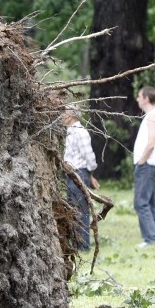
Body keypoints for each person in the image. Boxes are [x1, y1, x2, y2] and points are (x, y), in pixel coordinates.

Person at [133, 85, 155, 247]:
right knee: (151, 202)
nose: (137, 99)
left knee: (141, 202)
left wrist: (141, 161)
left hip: (147, 164)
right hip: (151, 163)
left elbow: (151, 143)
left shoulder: (153, 115)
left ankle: (151, 239)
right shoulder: (154, 115)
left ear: (146, 98)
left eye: (139, 96)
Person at [63, 107, 100, 251]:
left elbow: (89, 155)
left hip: (79, 174)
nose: (62, 116)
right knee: (73, 209)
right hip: (71, 175)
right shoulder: (70, 131)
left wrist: (90, 173)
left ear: (72, 115)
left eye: (65, 112)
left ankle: (83, 246)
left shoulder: (80, 132)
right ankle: (76, 243)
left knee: (80, 209)